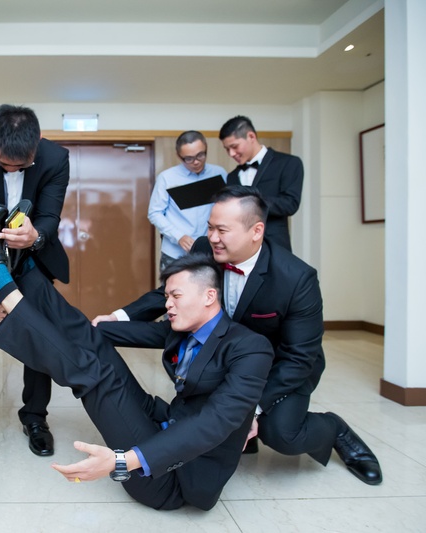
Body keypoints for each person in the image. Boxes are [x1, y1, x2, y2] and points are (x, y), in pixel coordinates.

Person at [0, 207, 274, 510]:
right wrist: (90, 329)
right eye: (166, 296)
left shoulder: (252, 350)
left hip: (172, 479)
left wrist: (123, 461)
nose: (167, 305)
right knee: (93, 341)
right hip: (163, 421)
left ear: (209, 296)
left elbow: (212, 424)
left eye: (176, 296)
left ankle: (2, 287)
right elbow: (117, 333)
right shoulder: (187, 326)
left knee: (94, 376)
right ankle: (25, 271)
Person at [92, 186, 383, 486]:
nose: (212, 237)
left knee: (281, 432)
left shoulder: (296, 279)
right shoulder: (205, 248)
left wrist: (250, 411)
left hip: (280, 368)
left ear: (256, 231)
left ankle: (335, 429)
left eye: (222, 230)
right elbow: (170, 291)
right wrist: (119, 317)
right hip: (225, 356)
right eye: (210, 227)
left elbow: (299, 358)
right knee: (203, 413)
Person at [0, 104, 70, 457]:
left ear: (38, 143)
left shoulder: (56, 158)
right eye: (3, 163)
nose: (12, 170)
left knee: (39, 333)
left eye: (21, 165)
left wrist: (35, 236)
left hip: (33, 256)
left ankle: (35, 417)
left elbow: (50, 216)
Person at [219, 116, 303, 251]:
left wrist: (251, 202)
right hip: (240, 249)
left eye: (234, 146)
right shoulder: (232, 176)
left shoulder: (288, 163)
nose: (231, 153)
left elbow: (290, 204)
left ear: (251, 136)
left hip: (275, 246)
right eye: (227, 149)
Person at [148, 131, 226, 271]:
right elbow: (155, 213)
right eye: (189, 159)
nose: (196, 162)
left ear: (206, 148)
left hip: (209, 250)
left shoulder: (219, 173)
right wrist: (178, 236)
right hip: (175, 253)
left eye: (200, 155)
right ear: (179, 156)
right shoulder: (167, 178)